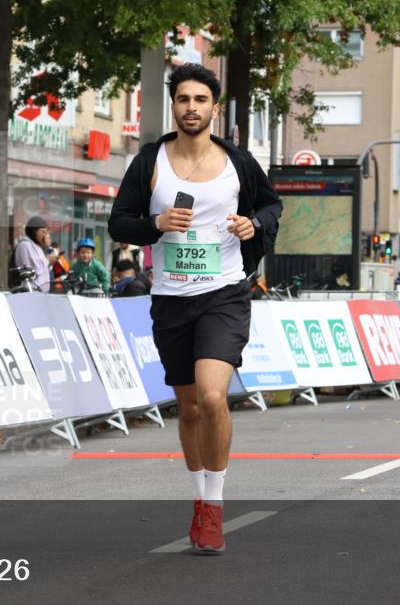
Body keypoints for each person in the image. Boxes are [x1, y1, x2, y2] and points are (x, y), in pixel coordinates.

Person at [108, 63, 281, 554]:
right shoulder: (150, 161)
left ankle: (214, 506)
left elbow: (271, 206)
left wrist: (253, 225)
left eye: (200, 100)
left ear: (213, 107)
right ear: (174, 105)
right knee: (187, 409)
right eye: (183, 99)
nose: (191, 108)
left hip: (224, 293)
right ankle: (198, 494)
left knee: (210, 397)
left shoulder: (237, 161)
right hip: (170, 298)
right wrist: (157, 222)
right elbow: (118, 223)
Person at [11, 216, 51, 292]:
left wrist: (46, 248)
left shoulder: (37, 246)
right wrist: (48, 260)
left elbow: (45, 270)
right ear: (34, 231)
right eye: (43, 232)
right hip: (30, 291)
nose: (45, 235)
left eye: (46, 232)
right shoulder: (25, 245)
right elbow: (34, 270)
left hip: (40, 292)